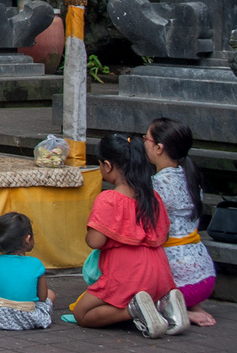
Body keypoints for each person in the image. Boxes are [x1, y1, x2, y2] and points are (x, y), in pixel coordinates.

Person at [71, 132, 179, 337]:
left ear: (108, 166)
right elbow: (163, 235)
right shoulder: (153, 196)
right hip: (160, 274)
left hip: (128, 274)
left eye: (100, 164)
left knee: (82, 313)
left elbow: (95, 241)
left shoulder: (109, 198)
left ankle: (133, 309)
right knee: (135, 296)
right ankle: (164, 308)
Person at [146, 116, 218, 327]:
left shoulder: (158, 184)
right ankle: (193, 306)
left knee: (129, 297)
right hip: (206, 278)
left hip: (182, 285)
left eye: (146, 139)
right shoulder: (191, 177)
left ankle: (180, 311)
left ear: (159, 148)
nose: (143, 143)